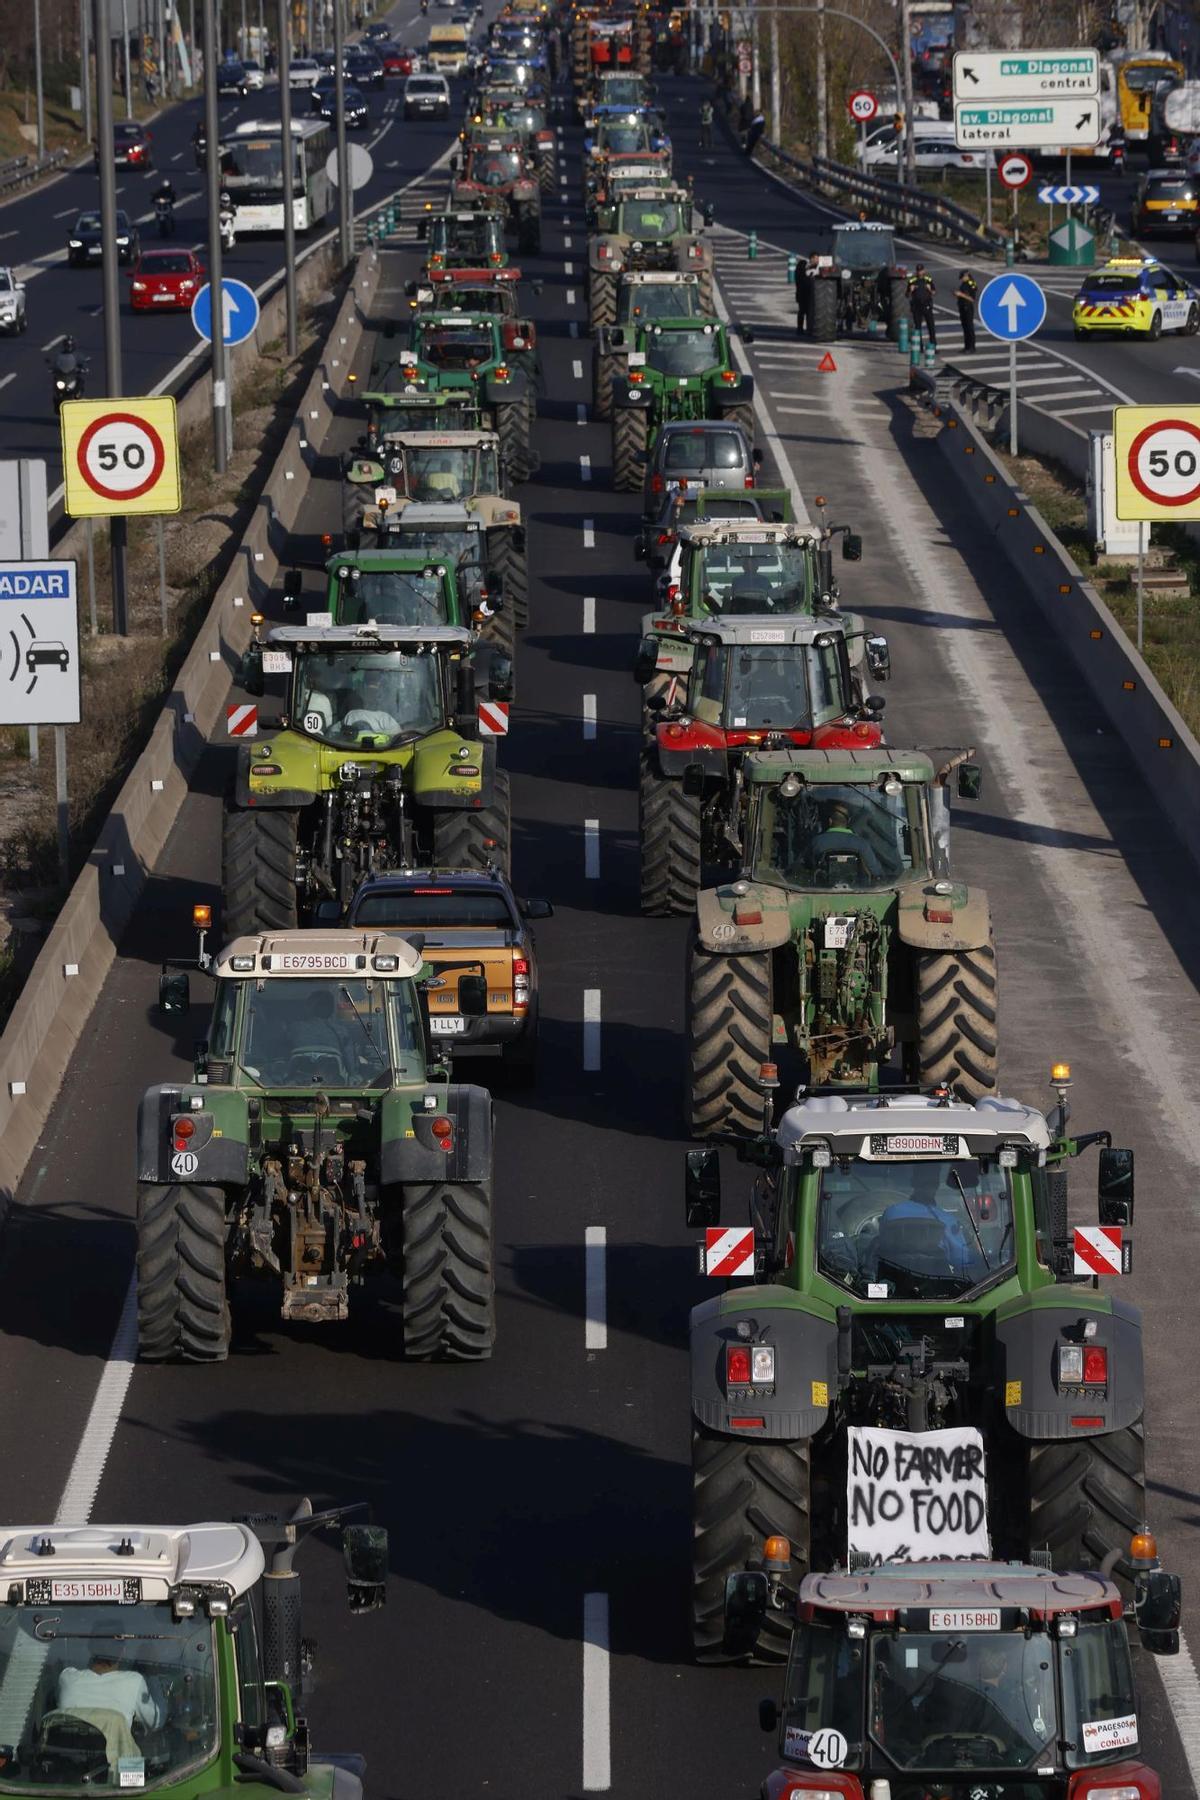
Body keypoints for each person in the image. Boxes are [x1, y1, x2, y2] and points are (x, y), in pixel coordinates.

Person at [57, 1655, 164, 1734]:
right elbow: (156, 1722)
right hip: (118, 1762)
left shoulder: (67, 1678)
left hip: (64, 1759)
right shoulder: (134, 1681)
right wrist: (153, 1675)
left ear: (90, 1646)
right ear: (123, 1651)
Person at [808, 798, 882, 879]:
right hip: (857, 889)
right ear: (848, 821)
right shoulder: (862, 844)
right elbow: (876, 872)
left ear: (830, 821)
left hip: (822, 888)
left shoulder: (816, 842)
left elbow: (808, 868)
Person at [907, 261, 937, 348]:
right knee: (918, 327)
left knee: (931, 326)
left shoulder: (928, 280)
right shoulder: (912, 281)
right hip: (917, 306)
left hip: (927, 305)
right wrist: (910, 290)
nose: (919, 272)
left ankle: (933, 345)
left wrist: (929, 289)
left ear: (923, 271)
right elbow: (907, 295)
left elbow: (934, 292)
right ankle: (919, 346)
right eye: (918, 271)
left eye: (921, 270)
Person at [955, 268, 978, 352]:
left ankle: (972, 347)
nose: (961, 279)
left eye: (962, 277)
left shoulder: (971, 284)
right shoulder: (964, 284)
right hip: (962, 307)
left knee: (969, 327)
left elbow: (972, 299)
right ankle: (966, 346)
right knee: (965, 327)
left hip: (968, 307)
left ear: (966, 276)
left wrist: (961, 294)